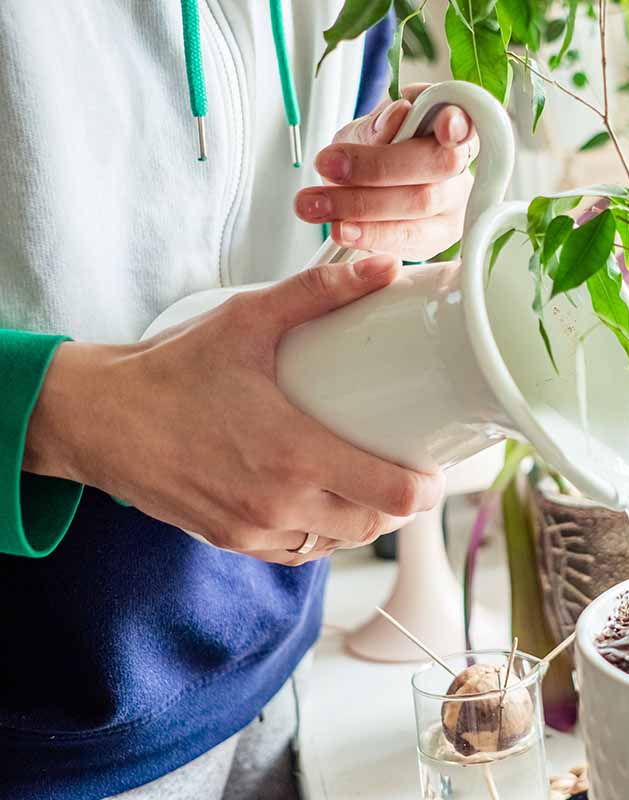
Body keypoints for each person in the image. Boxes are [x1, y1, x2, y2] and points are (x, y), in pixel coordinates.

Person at [0, 4, 475, 798]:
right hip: (39, 736)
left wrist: (405, 196)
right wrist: (67, 414)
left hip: (280, 658)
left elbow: (297, 189)